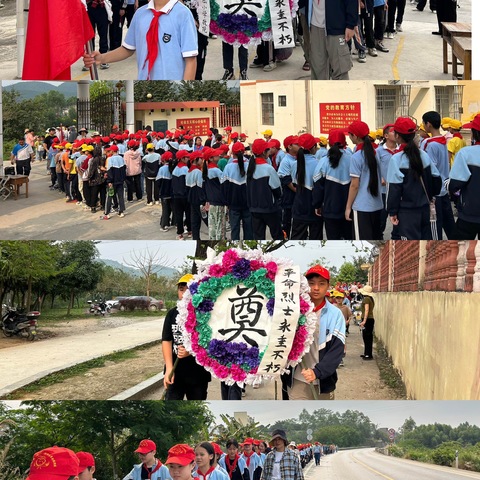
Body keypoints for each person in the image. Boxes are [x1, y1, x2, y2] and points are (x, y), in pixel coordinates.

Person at [83, 0, 198, 80]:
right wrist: (101, 58)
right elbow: (127, 49)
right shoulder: (140, 14)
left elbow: (191, 60)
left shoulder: (183, 14)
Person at [286, 265, 345, 400]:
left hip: (324, 380)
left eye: (321, 284)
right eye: (311, 284)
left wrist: (317, 372)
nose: (316, 288)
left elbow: (337, 350)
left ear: (328, 286)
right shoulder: (294, 309)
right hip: (298, 378)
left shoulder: (335, 314)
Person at [386, 117, 442, 240]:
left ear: (397, 136)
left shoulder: (396, 159)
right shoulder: (424, 155)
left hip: (407, 213)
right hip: (425, 209)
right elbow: (437, 180)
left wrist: (392, 212)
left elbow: (394, 189)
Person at [162, 274, 211, 399]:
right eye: (181, 289)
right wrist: (168, 369)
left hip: (197, 374)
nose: (184, 293)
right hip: (175, 372)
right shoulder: (172, 314)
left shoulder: (204, 314)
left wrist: (191, 350)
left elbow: (209, 341)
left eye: (188, 289)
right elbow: (166, 341)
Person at [345, 120, 383, 239]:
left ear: (355, 136)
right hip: (377, 205)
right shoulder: (375, 153)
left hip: (361, 207)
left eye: (350, 134)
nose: (349, 137)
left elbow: (354, 185)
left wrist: (348, 207)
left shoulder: (356, 157)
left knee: (360, 240)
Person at [421, 111, 456, 239]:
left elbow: (430, 170)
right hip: (444, 190)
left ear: (428, 124)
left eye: (424, 123)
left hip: (434, 193)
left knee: (435, 231)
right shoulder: (445, 141)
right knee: (450, 226)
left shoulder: (430, 145)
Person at [312, 130, 352, 240]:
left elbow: (318, 186)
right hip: (350, 209)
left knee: (333, 239)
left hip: (330, 209)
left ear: (329, 143)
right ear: (344, 143)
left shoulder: (324, 161)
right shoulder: (352, 159)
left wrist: (317, 205)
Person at [447, 113, 480, 239]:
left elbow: (454, 185)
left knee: (459, 247)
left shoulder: (466, 154)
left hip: (469, 213)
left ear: (474, 132)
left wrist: (446, 183)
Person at [308, 0, 358, 80]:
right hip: (315, 24)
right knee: (317, 67)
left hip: (336, 25)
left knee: (340, 68)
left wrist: (351, 24)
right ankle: (320, 91)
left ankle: (340, 91)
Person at [246, 139, 283, 240]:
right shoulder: (268, 169)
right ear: (264, 152)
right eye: (268, 149)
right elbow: (277, 190)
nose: (270, 151)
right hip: (269, 209)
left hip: (254, 209)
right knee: (277, 236)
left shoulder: (249, 169)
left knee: (258, 238)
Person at [359, 285, 375, 360]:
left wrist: (364, 321)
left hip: (367, 319)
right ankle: (367, 353)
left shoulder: (366, 299)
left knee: (367, 337)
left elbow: (367, 310)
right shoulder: (371, 299)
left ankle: (368, 354)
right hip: (370, 319)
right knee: (368, 337)